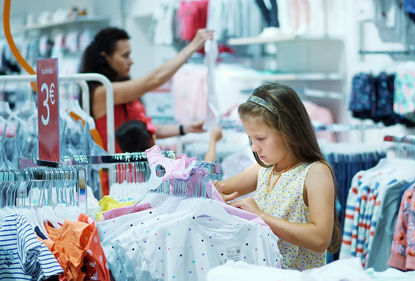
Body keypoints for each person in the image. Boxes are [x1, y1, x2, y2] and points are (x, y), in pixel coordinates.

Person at [214, 83, 342, 271]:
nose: (254, 148)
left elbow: (320, 238)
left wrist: (261, 216)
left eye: (261, 139)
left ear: (288, 131)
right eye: (250, 139)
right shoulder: (265, 169)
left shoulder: (315, 173)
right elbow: (218, 188)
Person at [80, 27, 214, 152]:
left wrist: (187, 128)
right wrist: (192, 47)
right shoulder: (102, 92)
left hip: (135, 171)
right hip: (114, 174)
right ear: (106, 57)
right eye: (125, 56)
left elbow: (146, 129)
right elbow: (153, 80)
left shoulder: (119, 92)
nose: (131, 61)